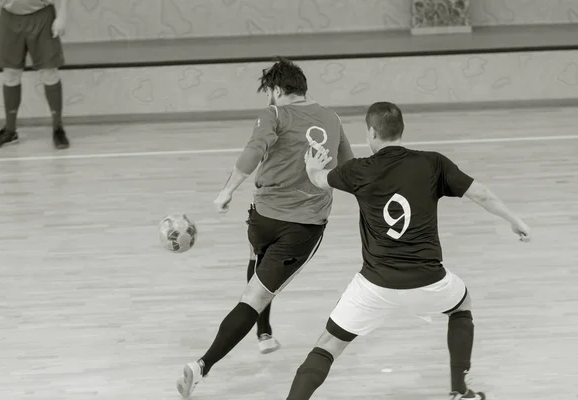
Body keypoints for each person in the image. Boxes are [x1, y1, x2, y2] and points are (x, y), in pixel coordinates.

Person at [284, 101, 531, 400]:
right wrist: (514, 221)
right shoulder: (432, 163)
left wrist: (312, 167)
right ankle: (459, 391)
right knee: (462, 305)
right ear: (400, 130)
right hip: (429, 280)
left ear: (372, 132)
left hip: (374, 285)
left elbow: (320, 181)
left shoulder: (358, 169)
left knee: (328, 344)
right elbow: (479, 193)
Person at [176, 57, 355, 398]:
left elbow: (254, 150)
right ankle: (203, 364)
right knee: (254, 297)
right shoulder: (332, 117)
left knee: (257, 260)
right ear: (302, 88)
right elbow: (349, 170)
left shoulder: (273, 114)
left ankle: (261, 333)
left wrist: (226, 191)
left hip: (262, 219)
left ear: (276, 90)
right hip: (302, 228)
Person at [0, 0, 70, 150]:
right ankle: (10, 131)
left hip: (42, 16)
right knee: (10, 73)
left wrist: (62, 16)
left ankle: (58, 128)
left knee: (49, 72)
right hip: (9, 18)